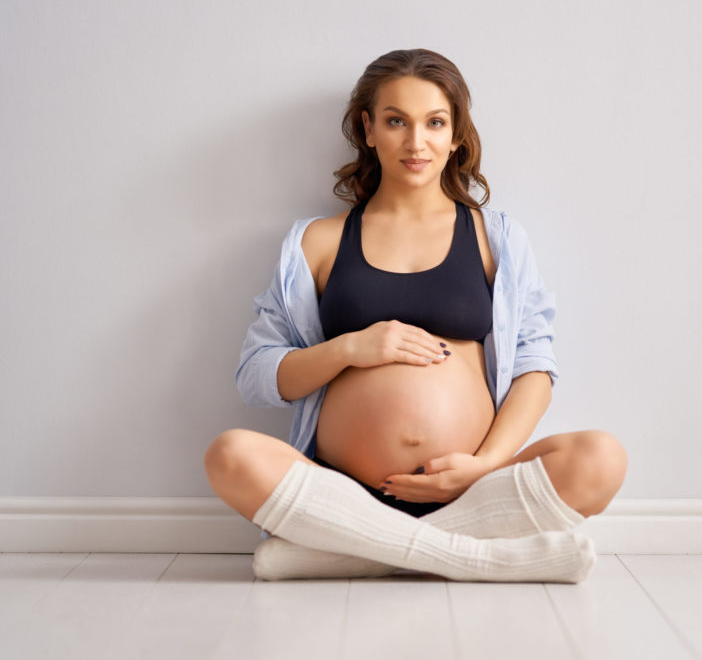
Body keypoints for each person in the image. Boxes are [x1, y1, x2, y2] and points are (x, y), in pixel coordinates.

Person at [204, 49, 628, 583]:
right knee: (230, 455)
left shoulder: (495, 238)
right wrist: (349, 349)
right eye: (396, 121)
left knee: (601, 458)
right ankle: (468, 556)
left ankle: (355, 552)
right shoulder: (317, 241)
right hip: (342, 492)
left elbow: (534, 368)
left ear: (456, 136)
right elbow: (258, 375)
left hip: (474, 488)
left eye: (434, 123)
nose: (415, 141)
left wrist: (486, 464)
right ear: (369, 128)